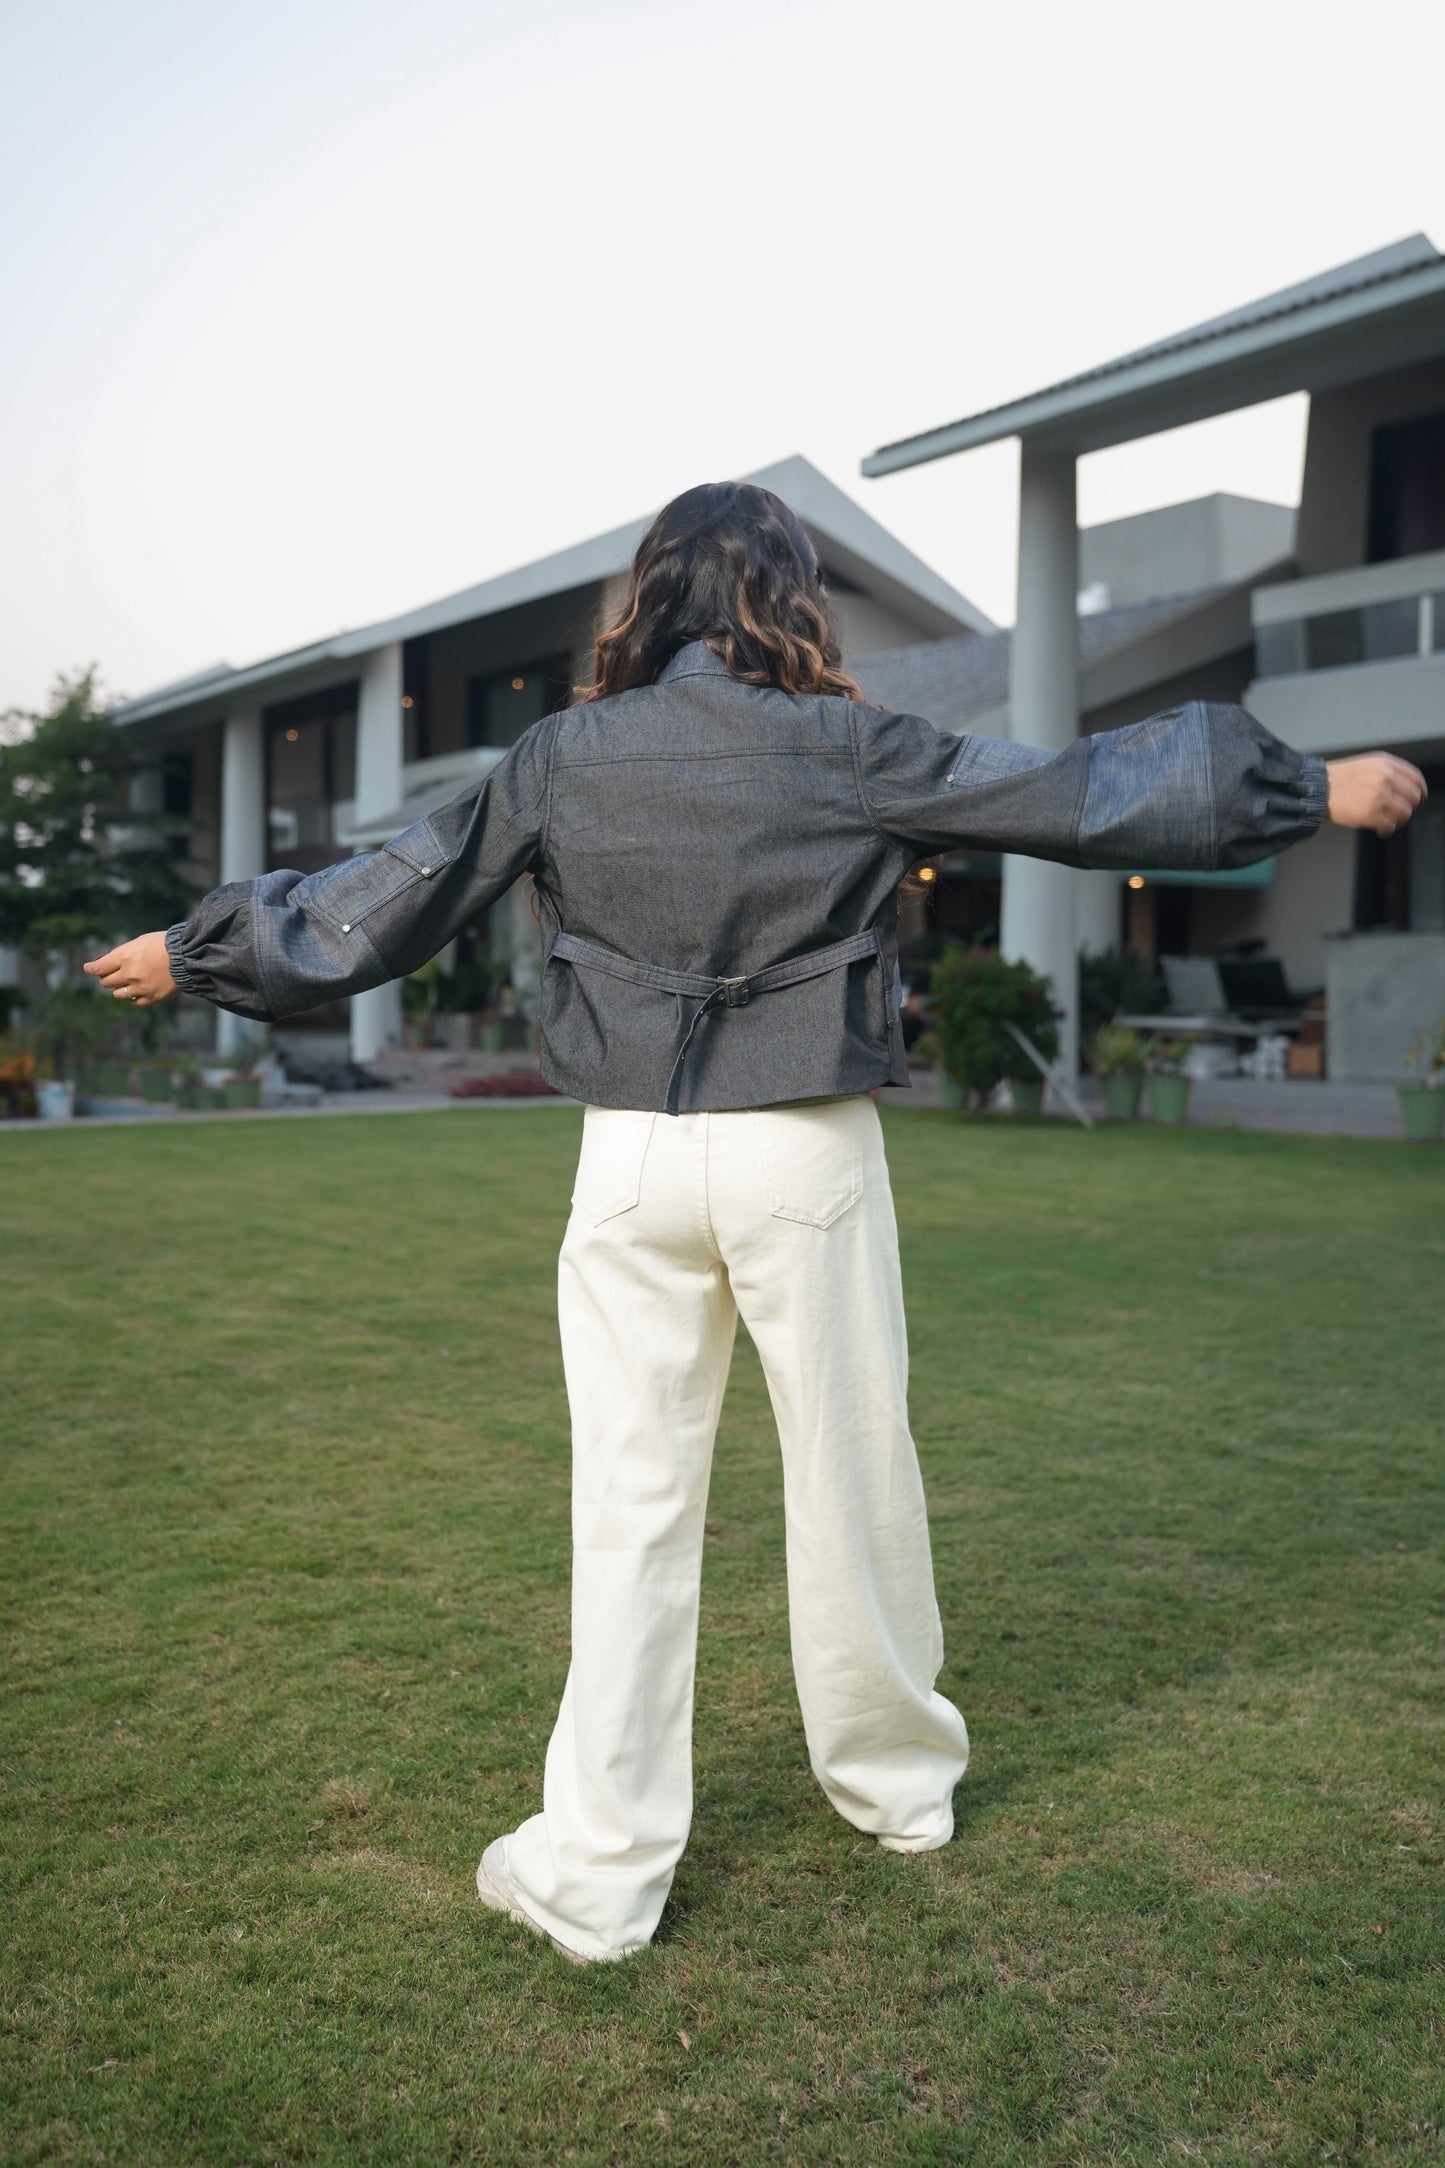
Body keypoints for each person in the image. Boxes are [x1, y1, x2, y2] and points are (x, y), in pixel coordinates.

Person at [88, 481, 1426, 1964]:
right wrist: (1310, 788)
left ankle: (597, 1876)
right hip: (806, 1153)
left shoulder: (556, 757)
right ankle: (896, 1790)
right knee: (854, 1478)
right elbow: (1073, 788)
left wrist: (192, 951)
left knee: (631, 1508)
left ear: (651, 597)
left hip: (633, 1162)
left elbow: (391, 894)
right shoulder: (847, 745)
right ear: (789, 598)